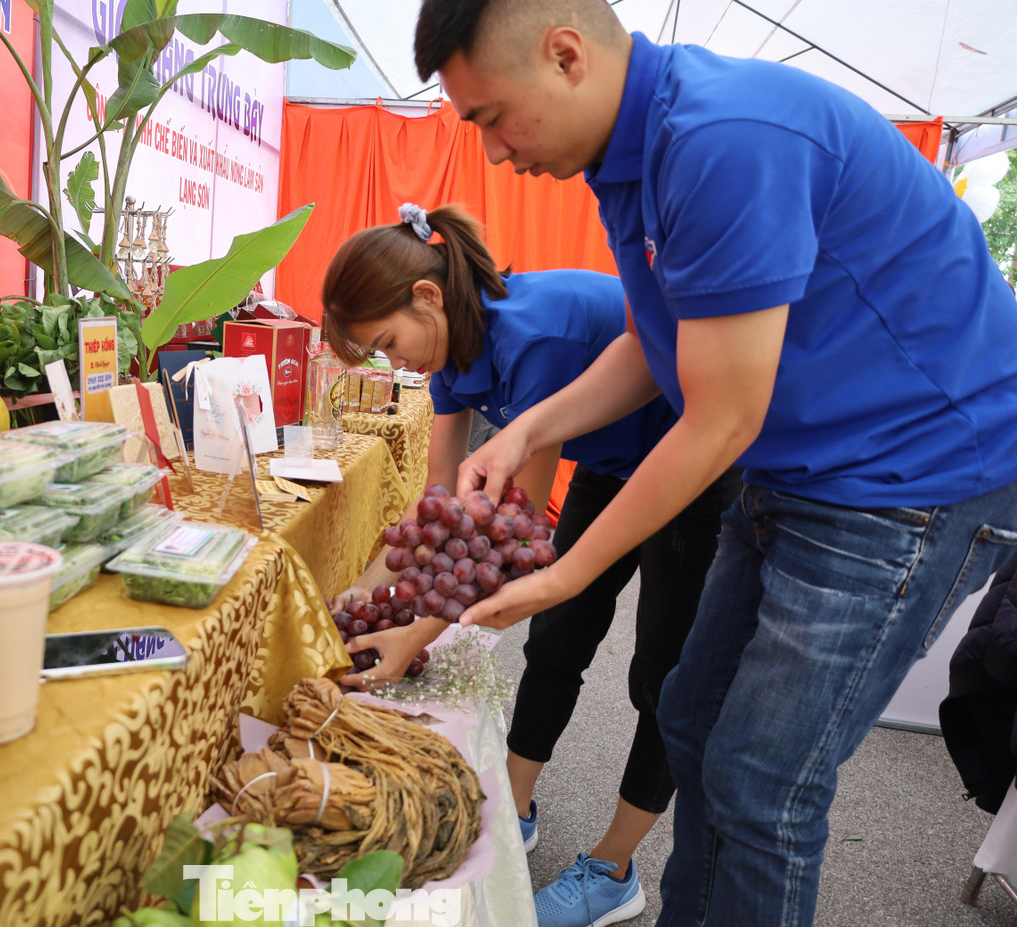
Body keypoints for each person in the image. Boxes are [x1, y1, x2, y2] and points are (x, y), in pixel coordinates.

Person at [410, 1, 1017, 925]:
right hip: (802, 471)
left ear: (565, 55)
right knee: (691, 720)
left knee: (763, 785)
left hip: (906, 479)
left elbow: (721, 418)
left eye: (490, 117)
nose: (493, 154)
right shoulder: (631, 158)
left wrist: (567, 573)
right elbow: (666, 342)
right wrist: (531, 429)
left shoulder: (722, 138)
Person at [324, 204, 736, 927]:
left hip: (694, 471)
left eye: (388, 343)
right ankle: (513, 810)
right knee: (555, 642)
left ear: (426, 296)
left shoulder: (533, 336)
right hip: (610, 460)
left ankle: (614, 869)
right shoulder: (451, 351)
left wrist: (416, 634)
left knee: (663, 681)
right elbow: (440, 497)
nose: (396, 364)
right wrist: (370, 582)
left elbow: (511, 528)